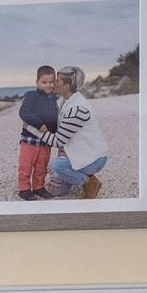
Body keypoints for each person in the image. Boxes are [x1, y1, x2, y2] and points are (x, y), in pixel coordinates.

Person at [44, 66, 109, 199]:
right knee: (56, 190)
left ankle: (89, 181)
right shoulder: (62, 101)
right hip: (77, 154)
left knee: (55, 166)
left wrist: (32, 129)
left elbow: (58, 141)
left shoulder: (77, 109)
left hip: (93, 158)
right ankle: (78, 174)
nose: (53, 83)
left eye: (57, 81)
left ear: (66, 86)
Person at [16, 65, 58, 201]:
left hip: (46, 140)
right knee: (26, 165)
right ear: (37, 82)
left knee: (42, 166)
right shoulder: (31, 96)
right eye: (44, 82)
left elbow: (55, 118)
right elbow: (24, 113)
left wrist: (54, 130)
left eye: (51, 82)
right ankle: (24, 189)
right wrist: (38, 123)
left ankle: (39, 187)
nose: (48, 85)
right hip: (30, 139)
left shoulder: (55, 99)